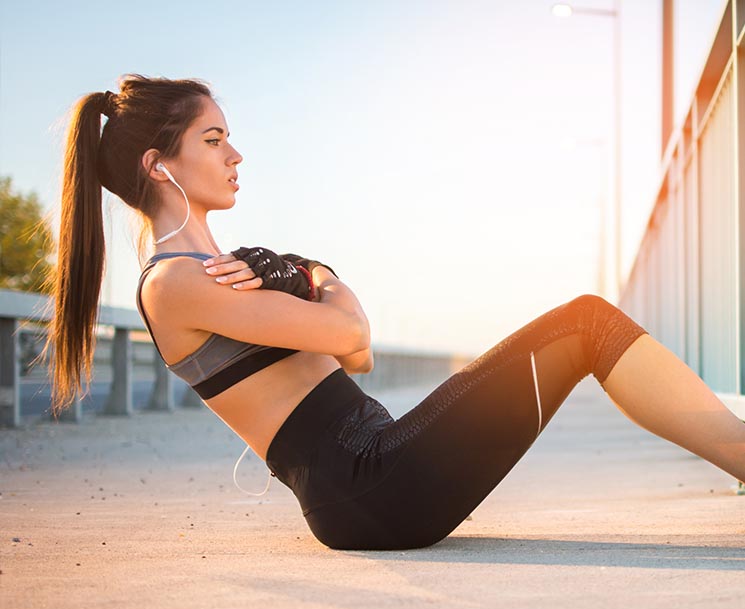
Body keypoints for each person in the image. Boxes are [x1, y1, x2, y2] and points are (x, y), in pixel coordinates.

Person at [46, 74, 745, 551]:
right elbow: (350, 327)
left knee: (584, 324)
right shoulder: (174, 283)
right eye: (212, 139)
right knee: (586, 322)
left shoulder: (227, 268)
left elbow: (357, 359)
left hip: (381, 463)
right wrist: (319, 274)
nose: (235, 154)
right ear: (157, 165)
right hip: (367, 485)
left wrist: (298, 274)